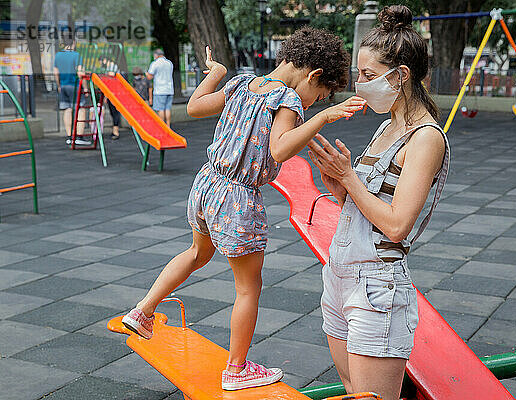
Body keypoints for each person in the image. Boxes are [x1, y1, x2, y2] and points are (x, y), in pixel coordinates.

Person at [121, 27, 366, 391]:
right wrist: (322, 118)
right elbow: (280, 149)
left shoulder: (243, 82)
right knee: (248, 289)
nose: (314, 103)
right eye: (320, 95)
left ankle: (142, 311)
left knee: (195, 253)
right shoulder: (289, 100)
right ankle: (236, 370)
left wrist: (217, 74)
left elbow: (194, 106)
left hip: (207, 186)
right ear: (313, 76)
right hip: (238, 200)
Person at [307, 6, 450, 400]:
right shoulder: (388, 125)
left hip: (376, 285)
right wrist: (336, 181)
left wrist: (350, 177)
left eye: (368, 76)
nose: (359, 84)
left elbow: (397, 224)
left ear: (400, 75)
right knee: (353, 391)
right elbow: (362, 204)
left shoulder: (425, 138)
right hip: (340, 272)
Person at [53, 37, 91, 145]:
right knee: (81, 109)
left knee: (67, 109)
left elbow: (56, 72)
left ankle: (69, 136)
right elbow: (80, 72)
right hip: (74, 85)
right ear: (73, 44)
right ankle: (79, 136)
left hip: (64, 85)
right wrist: (85, 87)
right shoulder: (76, 55)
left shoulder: (58, 55)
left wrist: (59, 85)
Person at [146, 49, 173, 127]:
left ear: (156, 55)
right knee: (167, 109)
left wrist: (146, 74)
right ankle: (168, 125)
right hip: (169, 89)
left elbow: (149, 76)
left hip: (160, 90)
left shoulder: (155, 63)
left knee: (160, 109)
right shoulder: (169, 63)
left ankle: (162, 126)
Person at [100, 56, 122, 140]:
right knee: (112, 111)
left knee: (115, 111)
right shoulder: (109, 67)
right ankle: (115, 129)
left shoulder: (113, 66)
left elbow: (112, 75)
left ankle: (116, 130)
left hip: (115, 92)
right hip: (110, 92)